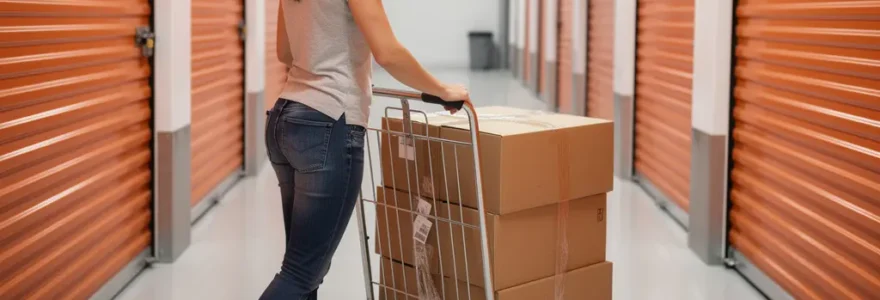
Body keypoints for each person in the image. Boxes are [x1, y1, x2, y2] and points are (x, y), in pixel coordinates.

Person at [260, 0, 470, 299]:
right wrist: (442, 90)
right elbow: (388, 53)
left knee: (306, 269)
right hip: (329, 121)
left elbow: (285, 52)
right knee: (301, 273)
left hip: (287, 118)